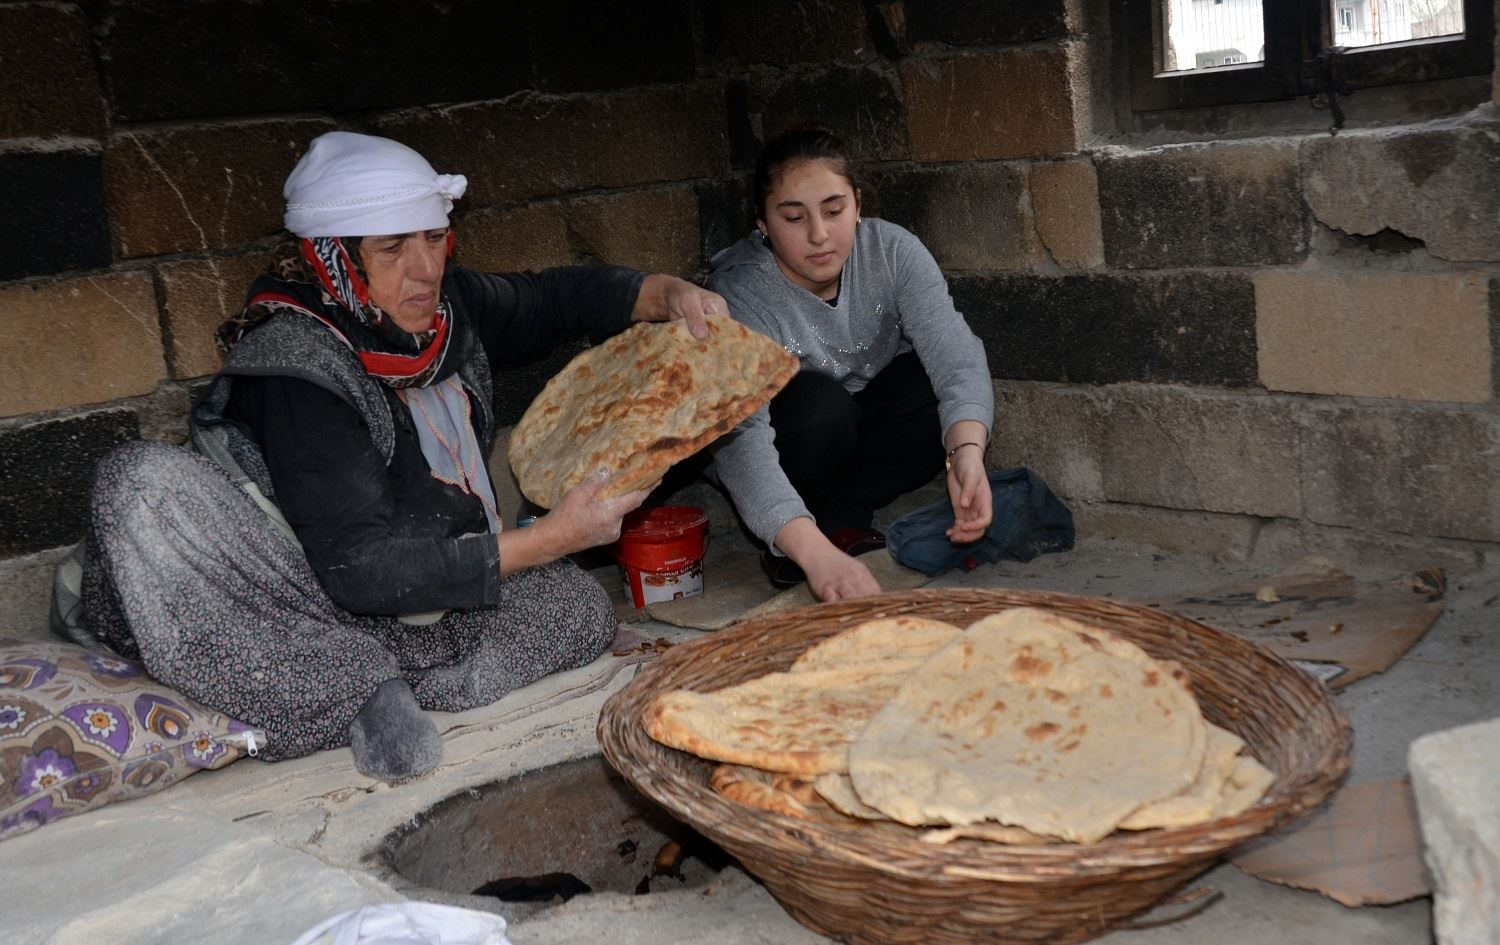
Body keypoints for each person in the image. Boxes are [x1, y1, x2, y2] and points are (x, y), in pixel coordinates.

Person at [68, 131, 725, 781]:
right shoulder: (299, 366)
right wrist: (555, 537)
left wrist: (666, 296)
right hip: (289, 589)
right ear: (337, 260)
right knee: (139, 483)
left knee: (579, 608)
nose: (425, 269)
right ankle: (355, 690)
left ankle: (348, 674)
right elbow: (362, 570)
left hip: (411, 600)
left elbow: (558, 299)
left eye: (434, 239)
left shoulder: (443, 312)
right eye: (392, 248)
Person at [707, 125, 994, 602]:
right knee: (822, 405)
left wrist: (966, 455)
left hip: (858, 424)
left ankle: (840, 518)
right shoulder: (741, 296)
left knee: (931, 391)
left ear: (858, 204)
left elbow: (956, 357)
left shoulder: (893, 251)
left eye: (834, 210)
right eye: (793, 218)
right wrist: (809, 552)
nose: (819, 236)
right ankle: (794, 541)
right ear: (762, 223)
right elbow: (740, 439)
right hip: (794, 437)